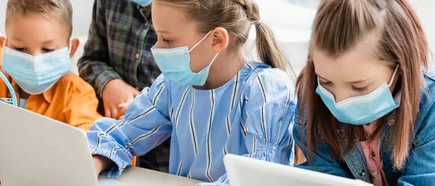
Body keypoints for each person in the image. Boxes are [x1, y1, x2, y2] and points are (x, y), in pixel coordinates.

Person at [87, 0, 297, 185]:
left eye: (167, 40)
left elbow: (258, 177)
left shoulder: (265, 91)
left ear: (217, 39)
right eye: (157, 36)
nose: (156, 48)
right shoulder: (174, 85)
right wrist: (92, 164)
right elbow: (124, 135)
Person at [294, 0, 435, 185]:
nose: (340, 101)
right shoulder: (311, 97)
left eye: (359, 87)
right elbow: (323, 178)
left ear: (400, 66)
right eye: (326, 82)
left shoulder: (429, 105)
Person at [0, 0, 102, 135]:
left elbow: (88, 142)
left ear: (71, 48)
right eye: (20, 48)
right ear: (4, 45)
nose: (34, 60)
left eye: (48, 49)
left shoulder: (77, 94)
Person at [77, 0, 169, 172]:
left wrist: (142, 107)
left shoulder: (171, 89)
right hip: (122, 161)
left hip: (167, 165)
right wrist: (109, 82)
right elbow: (90, 60)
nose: (159, 48)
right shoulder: (108, 4)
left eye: (168, 40)